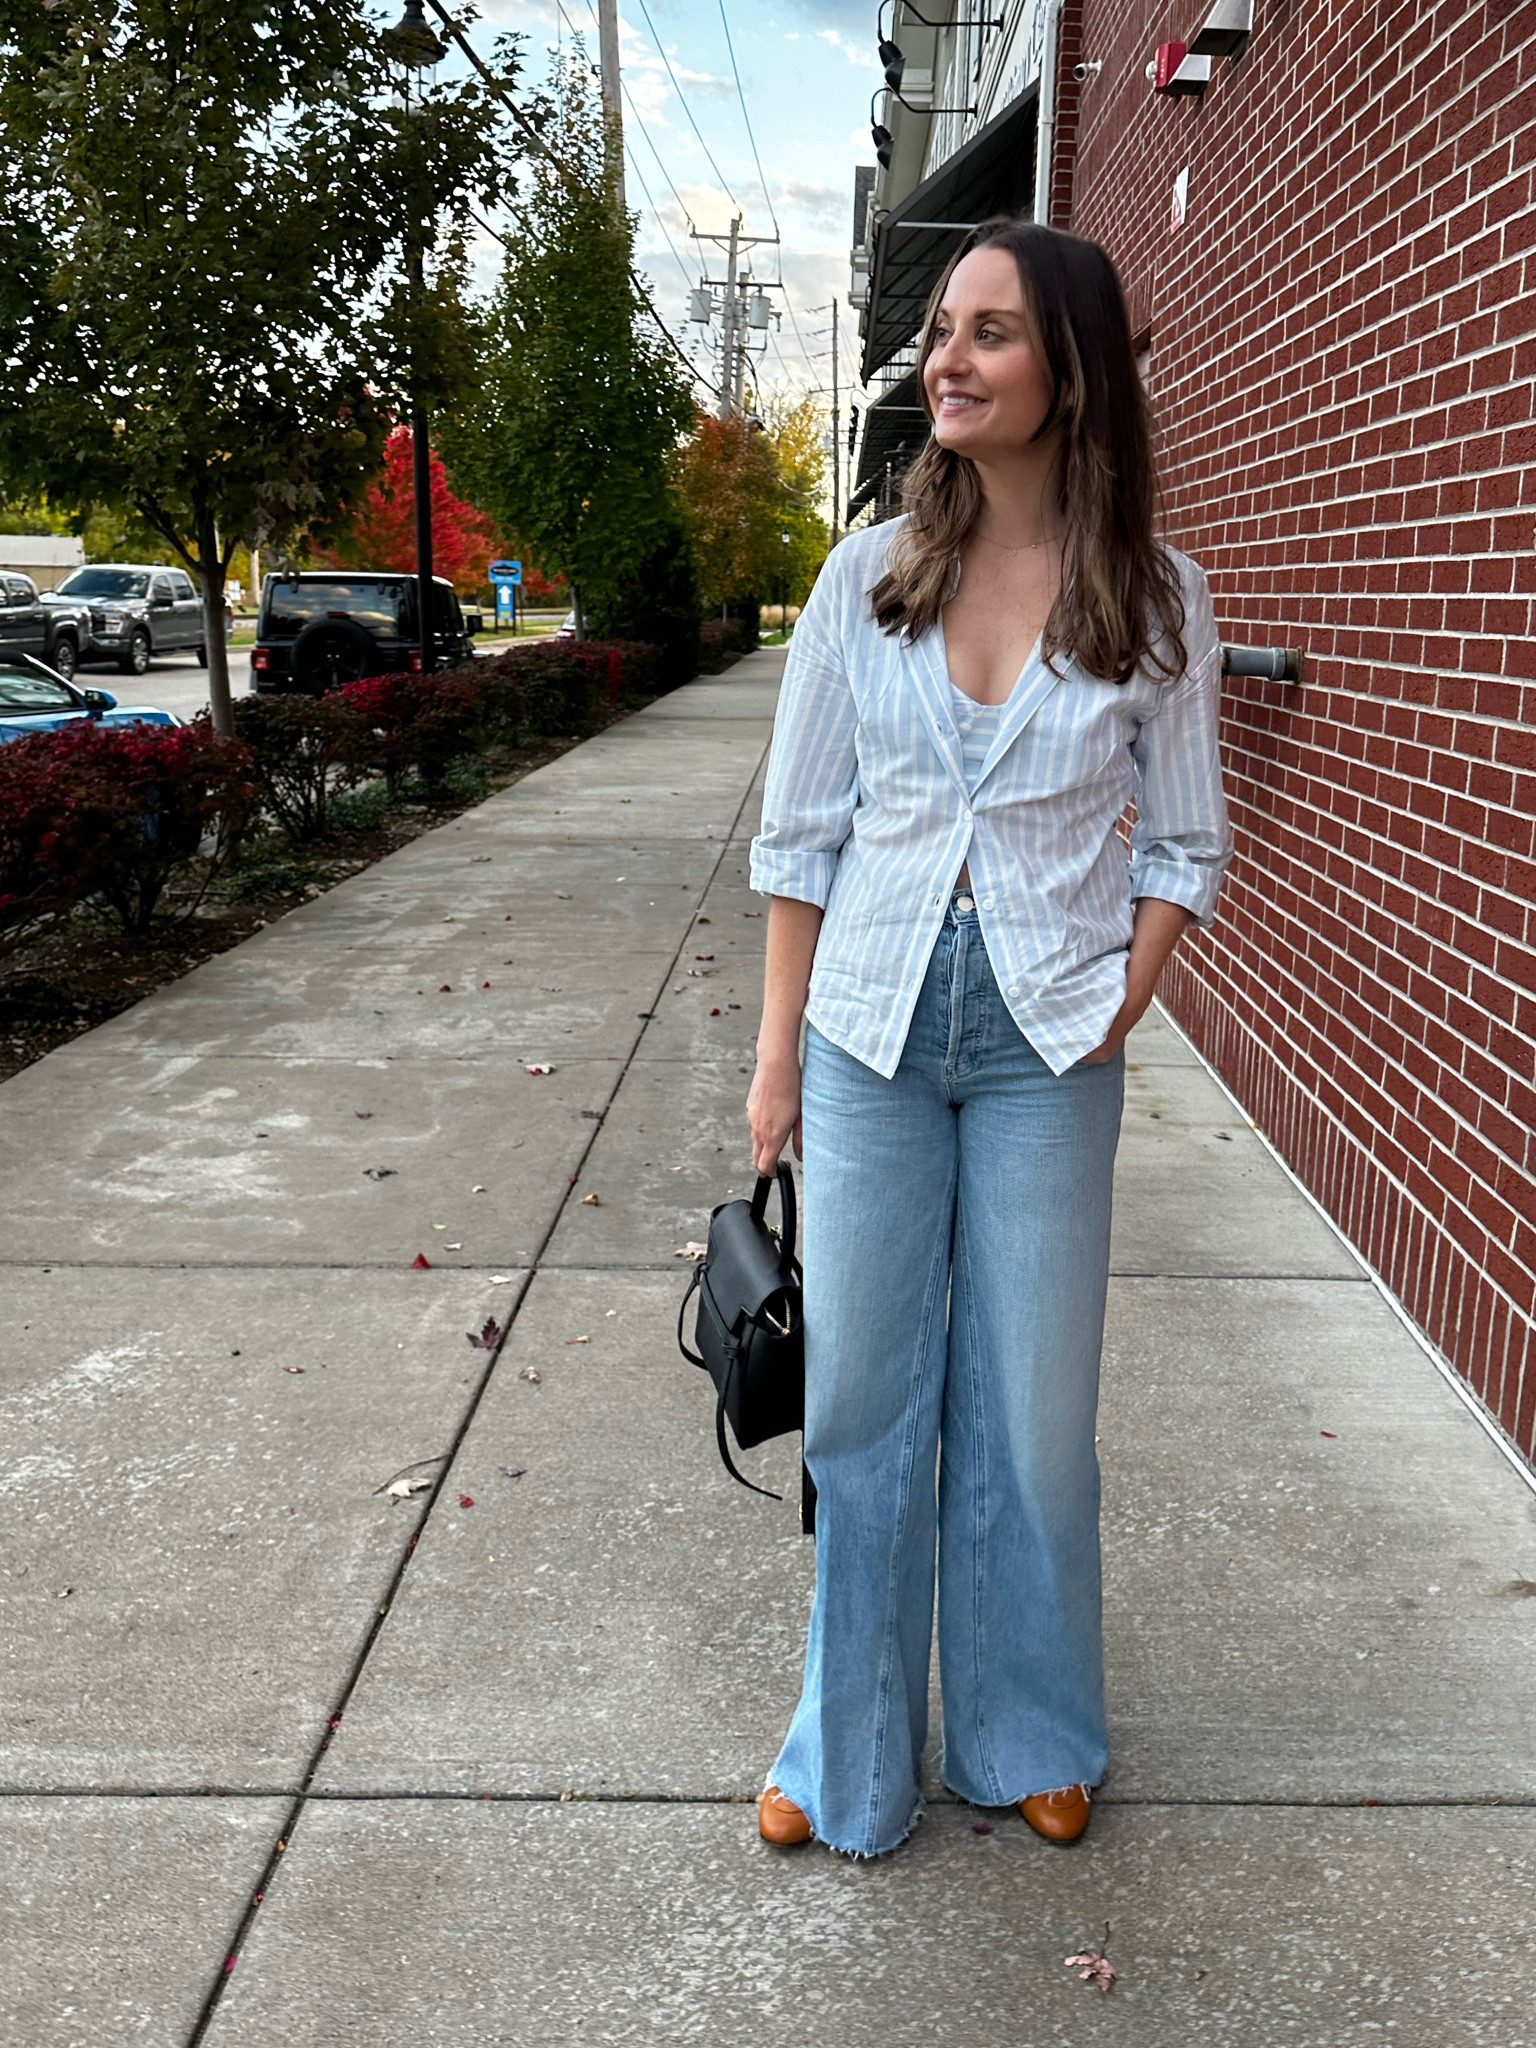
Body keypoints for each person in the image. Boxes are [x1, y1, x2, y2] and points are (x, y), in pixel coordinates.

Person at [745, 219, 1232, 1858]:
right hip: (872, 1034)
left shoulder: (1159, 598)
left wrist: (1126, 999)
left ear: (1071, 372)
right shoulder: (862, 579)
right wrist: (773, 1057)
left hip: (1047, 1042)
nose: (949, 357)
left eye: (994, 333)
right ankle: (848, 1754)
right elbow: (802, 839)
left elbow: (1184, 845)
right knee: (862, 1408)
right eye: (945, 328)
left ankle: (1028, 1722)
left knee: (1031, 1410)